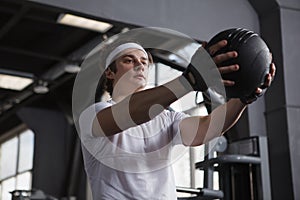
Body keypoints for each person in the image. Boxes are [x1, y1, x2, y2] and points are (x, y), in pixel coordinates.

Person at [79, 37, 276, 199]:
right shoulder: (94, 115)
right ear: (110, 72)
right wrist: (188, 81)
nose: (139, 64)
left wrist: (243, 98)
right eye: (128, 60)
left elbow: (205, 129)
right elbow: (129, 113)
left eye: (144, 61)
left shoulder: (166, 118)